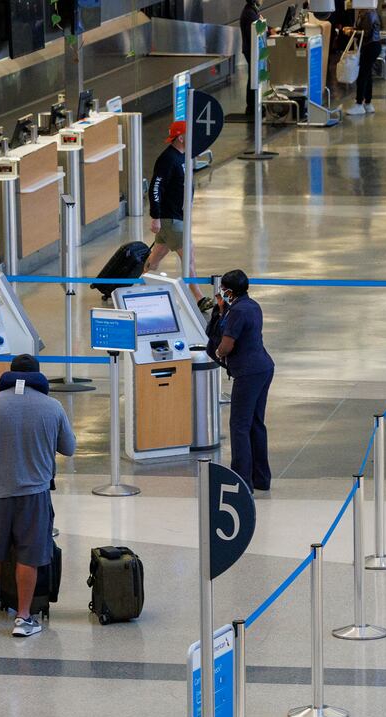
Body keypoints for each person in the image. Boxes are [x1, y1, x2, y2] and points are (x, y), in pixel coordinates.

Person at [0, 355, 76, 639]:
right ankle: (24, 619)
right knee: (29, 556)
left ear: (10, 374)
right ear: (38, 376)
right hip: (35, 495)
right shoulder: (53, 407)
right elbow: (70, 448)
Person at [213, 270, 275, 491]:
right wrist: (223, 313)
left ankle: (241, 480)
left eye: (224, 290)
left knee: (239, 425)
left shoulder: (237, 312)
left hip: (248, 373)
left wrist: (218, 353)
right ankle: (261, 478)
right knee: (256, 423)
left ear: (229, 291)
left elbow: (227, 344)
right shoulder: (252, 305)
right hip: (264, 367)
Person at [146, 122, 210, 310]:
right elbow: (156, 187)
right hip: (170, 218)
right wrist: (155, 216)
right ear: (181, 137)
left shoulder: (183, 157)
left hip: (177, 217)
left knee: (156, 257)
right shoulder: (167, 159)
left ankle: (138, 284)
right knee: (188, 254)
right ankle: (198, 297)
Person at [345, 6, 383, 115]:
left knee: (362, 75)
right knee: (367, 74)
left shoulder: (369, 13)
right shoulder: (368, 12)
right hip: (372, 46)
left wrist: (352, 32)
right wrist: (353, 30)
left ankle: (359, 104)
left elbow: (366, 33)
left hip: (370, 46)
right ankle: (368, 103)